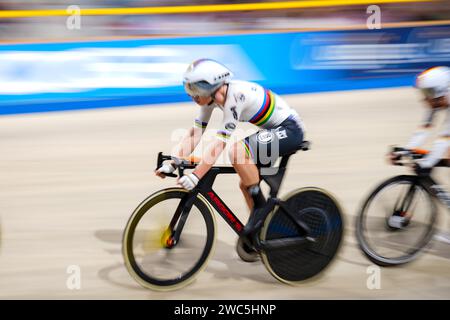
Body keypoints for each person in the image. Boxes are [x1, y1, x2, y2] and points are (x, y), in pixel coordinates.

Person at [155, 58, 306, 258]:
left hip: (290, 130)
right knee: (245, 184)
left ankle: (261, 213)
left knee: (237, 151)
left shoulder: (235, 96)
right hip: (274, 131)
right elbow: (195, 134)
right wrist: (173, 162)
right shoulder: (213, 99)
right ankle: (262, 230)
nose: (191, 94)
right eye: (188, 87)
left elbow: (220, 143)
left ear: (212, 85)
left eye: (195, 88)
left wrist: (196, 176)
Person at [388, 66, 450, 230]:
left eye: (428, 93)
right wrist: (406, 150)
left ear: (441, 90)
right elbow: (424, 129)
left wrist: (428, 162)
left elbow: (445, 137)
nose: (425, 98)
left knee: (442, 155)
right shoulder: (438, 99)